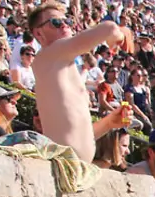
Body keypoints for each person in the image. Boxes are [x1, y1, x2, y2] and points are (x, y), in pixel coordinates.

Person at [28, 1, 124, 162]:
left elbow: (77, 137)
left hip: (76, 165)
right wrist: (118, 35)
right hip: (62, 164)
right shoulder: (48, 56)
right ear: (39, 34)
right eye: (56, 22)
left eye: (68, 21)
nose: (64, 25)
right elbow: (110, 28)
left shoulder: (64, 65)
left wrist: (108, 123)